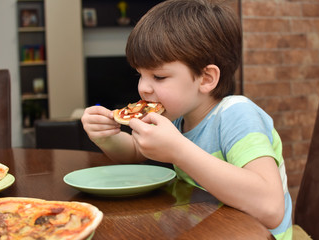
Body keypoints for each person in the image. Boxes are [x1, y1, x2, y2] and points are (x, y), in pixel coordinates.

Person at [81, 0, 292, 239]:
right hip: (205, 228)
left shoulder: (237, 114)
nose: (143, 88)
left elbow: (271, 208)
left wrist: (179, 151)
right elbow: (134, 152)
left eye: (159, 76)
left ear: (206, 78)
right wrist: (107, 137)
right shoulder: (178, 117)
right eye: (140, 74)